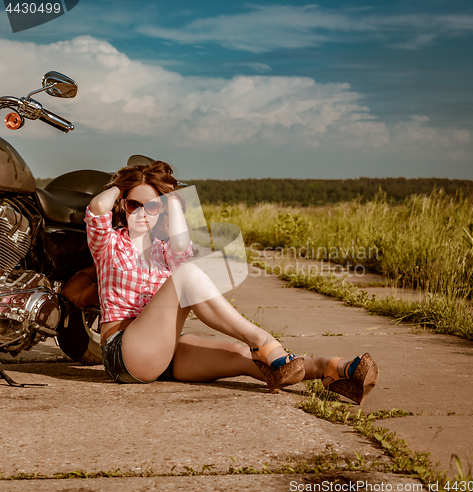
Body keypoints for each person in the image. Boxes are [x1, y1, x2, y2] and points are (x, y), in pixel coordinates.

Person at [86, 158, 379, 404]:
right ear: (124, 205)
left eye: (151, 207)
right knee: (187, 275)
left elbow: (181, 246)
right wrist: (122, 184)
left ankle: (334, 370)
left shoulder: (164, 250)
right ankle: (263, 340)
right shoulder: (109, 244)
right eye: (134, 205)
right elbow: (98, 209)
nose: (141, 213)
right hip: (123, 352)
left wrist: (172, 203)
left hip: (165, 350)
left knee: (245, 357)